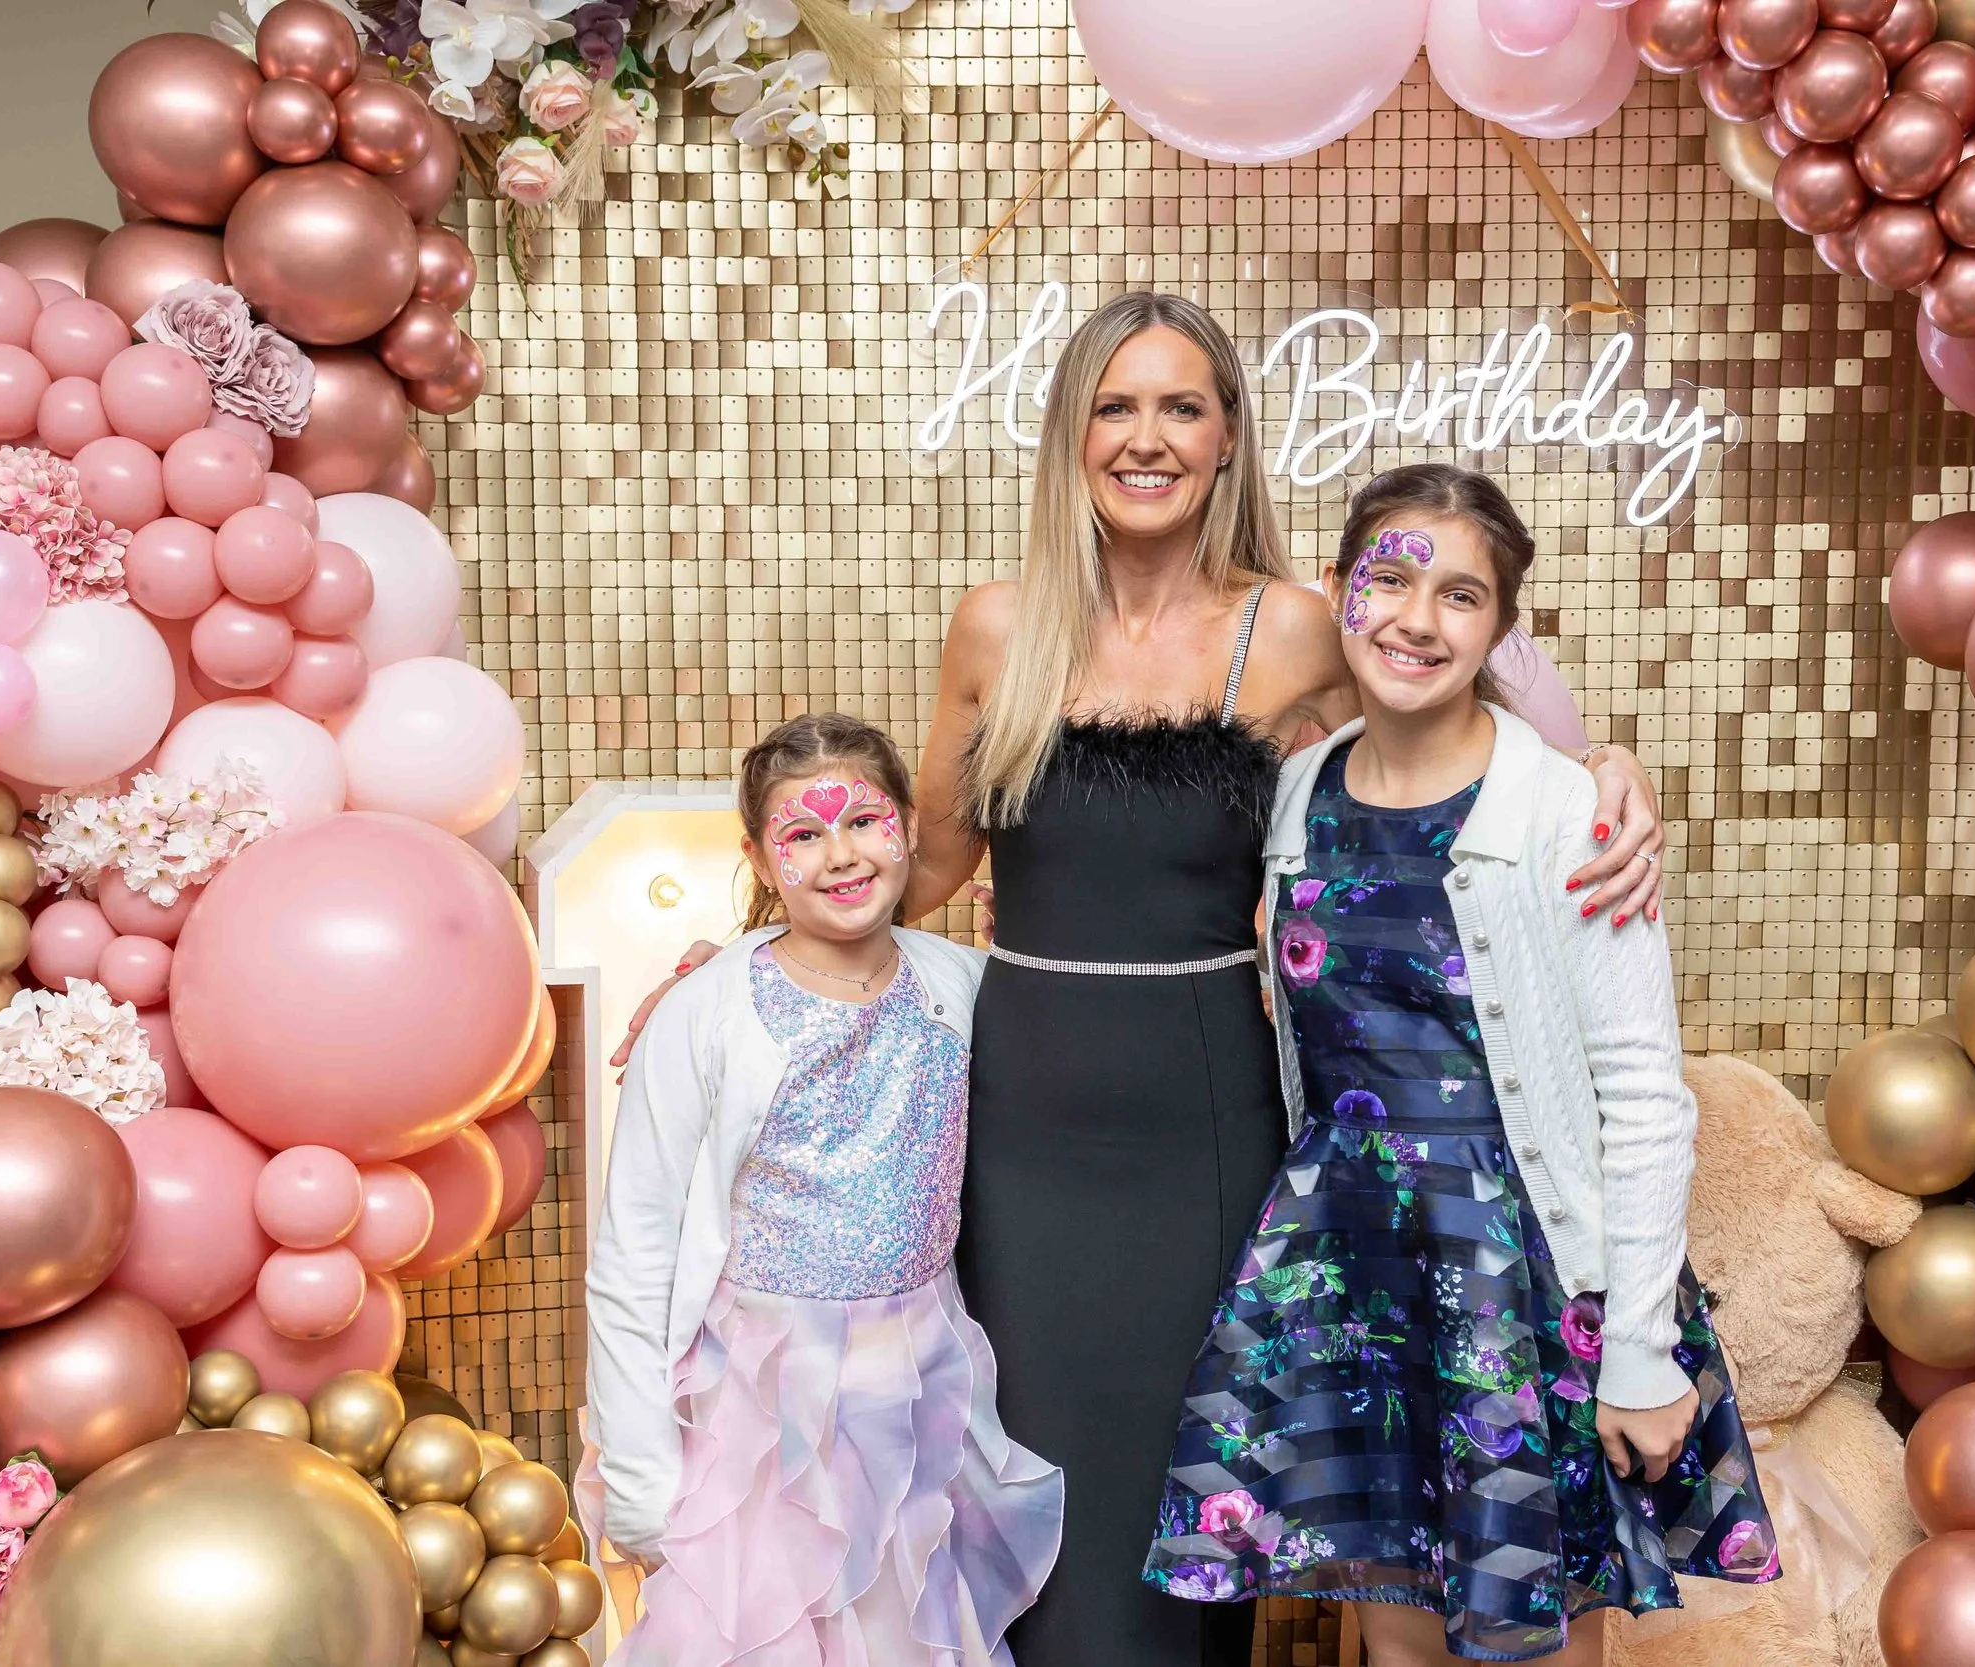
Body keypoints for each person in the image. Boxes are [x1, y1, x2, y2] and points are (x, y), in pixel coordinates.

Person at [613, 292, 1670, 1667]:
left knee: (1195, 1513)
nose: (1148, 436)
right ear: (1073, 434)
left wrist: (1602, 769)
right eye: (1117, 406)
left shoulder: (1296, 624)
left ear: (1229, 436)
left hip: (1209, 1123)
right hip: (1024, 1128)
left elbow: (1464, 729)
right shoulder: (999, 626)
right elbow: (921, 857)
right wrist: (748, 956)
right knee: (1027, 1503)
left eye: (1183, 406)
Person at [1143, 465, 1775, 1665]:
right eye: (1387, 578)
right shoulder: (1293, 793)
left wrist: (1637, 1347)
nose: (1416, 619)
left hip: (1518, 1280)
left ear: (1498, 629)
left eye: (1462, 596)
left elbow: (1645, 1094)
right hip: (1352, 1273)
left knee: (1538, 1643)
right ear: (1337, 593)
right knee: (1399, 1647)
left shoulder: (1564, 812)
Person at [579, 713, 1063, 1666]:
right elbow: (634, 1249)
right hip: (756, 1414)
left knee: (902, 1632)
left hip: (916, 1398)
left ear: (911, 832)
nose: (841, 855)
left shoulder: (965, 988)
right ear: (760, 857)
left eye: (865, 823)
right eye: (803, 834)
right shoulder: (707, 1011)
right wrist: (639, 1470)